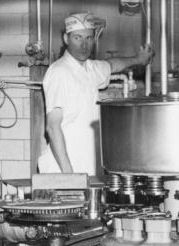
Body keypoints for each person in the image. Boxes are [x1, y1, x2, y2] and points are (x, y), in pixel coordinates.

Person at [38, 12, 153, 177]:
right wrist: (69, 175)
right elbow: (52, 126)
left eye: (89, 38)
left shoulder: (90, 68)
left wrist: (138, 59)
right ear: (66, 39)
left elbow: (112, 65)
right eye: (78, 38)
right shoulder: (59, 72)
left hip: (88, 168)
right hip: (63, 171)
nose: (84, 45)